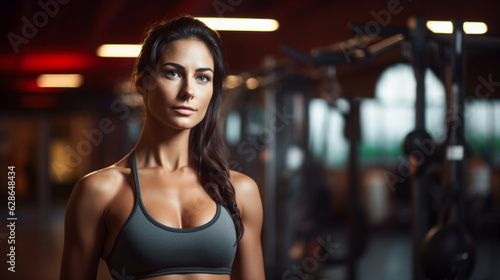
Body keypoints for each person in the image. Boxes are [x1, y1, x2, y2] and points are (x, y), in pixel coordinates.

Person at [60, 15, 265, 280]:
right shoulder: (100, 191)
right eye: (173, 73)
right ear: (143, 83)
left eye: (203, 77)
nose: (189, 90)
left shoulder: (240, 192)